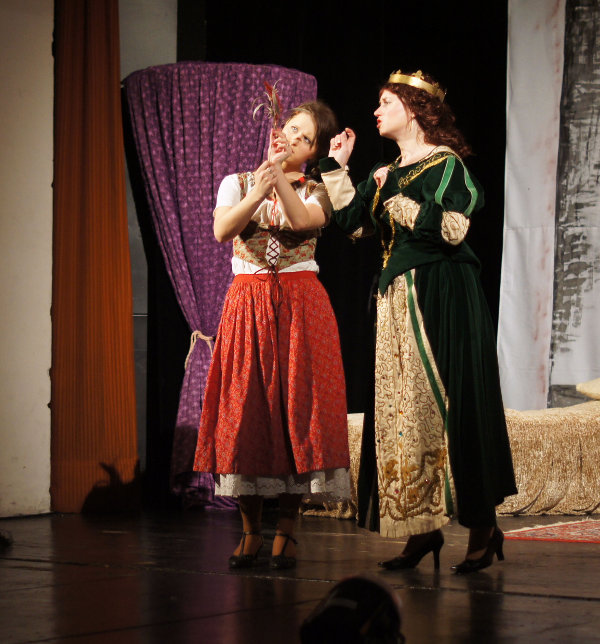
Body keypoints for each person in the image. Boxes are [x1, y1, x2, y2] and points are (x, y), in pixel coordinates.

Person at [319, 70, 517, 574]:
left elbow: (451, 228)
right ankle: (421, 527)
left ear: (414, 109)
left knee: (454, 402)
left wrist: (396, 198)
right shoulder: (385, 171)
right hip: (396, 300)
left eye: (386, 102)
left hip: (441, 293)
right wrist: (336, 169)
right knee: (404, 411)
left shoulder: (445, 165)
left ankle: (482, 527)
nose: (376, 111)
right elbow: (354, 226)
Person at [194, 100, 350, 570]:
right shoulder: (237, 182)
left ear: (314, 152)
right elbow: (223, 230)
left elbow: (302, 222)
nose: (291, 138)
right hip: (249, 302)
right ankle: (249, 531)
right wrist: (259, 187)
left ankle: (287, 531)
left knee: (297, 411)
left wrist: (278, 177)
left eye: (304, 137)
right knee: (246, 410)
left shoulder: (320, 189)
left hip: (302, 304)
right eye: (290, 128)